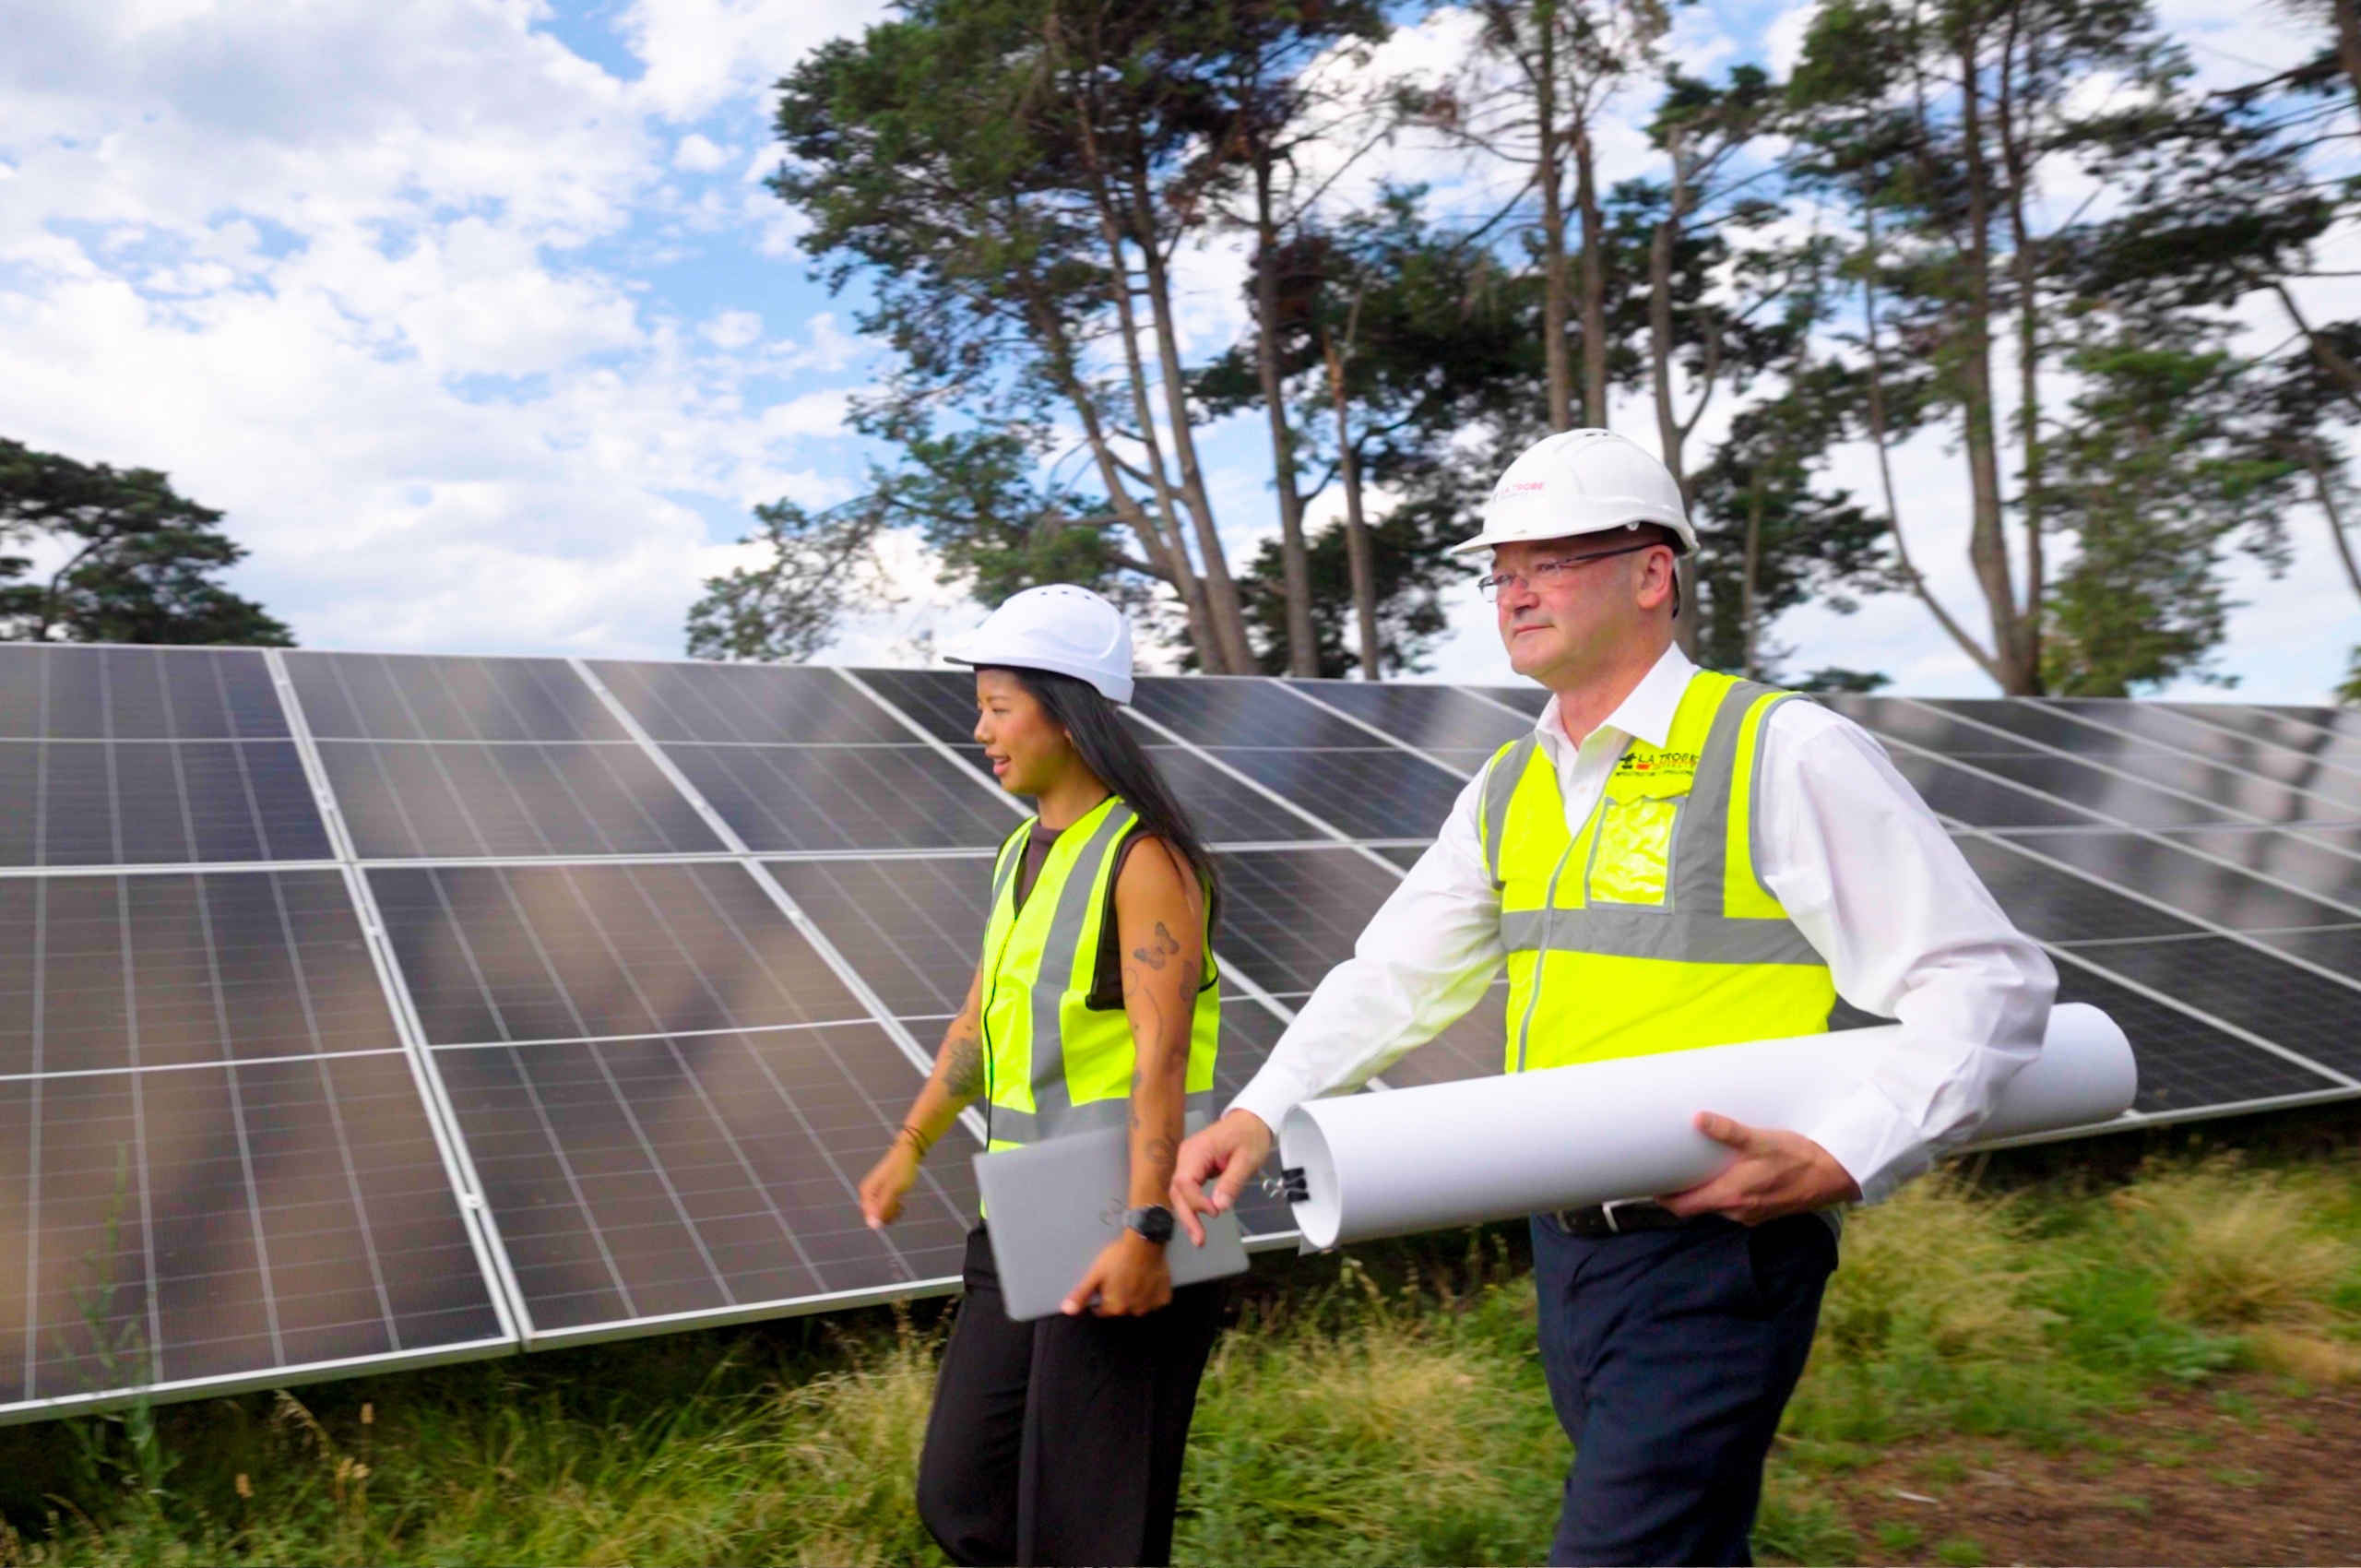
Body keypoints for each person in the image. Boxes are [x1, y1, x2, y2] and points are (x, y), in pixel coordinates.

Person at [1170, 430, 2058, 1567]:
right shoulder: (1508, 786)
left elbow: (1985, 979)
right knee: (1685, 1544)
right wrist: (1259, 1108)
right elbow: (1391, 974)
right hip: (1570, 1246)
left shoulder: (1775, 748)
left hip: (1722, 1247)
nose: (1516, 590)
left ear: (1653, 573)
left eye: (1551, 560)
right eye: (1501, 568)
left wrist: (1846, 1154)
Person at [858, 584, 1227, 1568]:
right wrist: (908, 1145)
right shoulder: (1022, 850)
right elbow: (979, 1023)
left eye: (997, 705)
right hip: (1026, 1216)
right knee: (963, 1494)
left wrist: (1147, 1229)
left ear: (1068, 711)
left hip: (1128, 1219)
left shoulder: (1145, 857)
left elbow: (1162, 1061)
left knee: (1087, 1532)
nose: (980, 729)